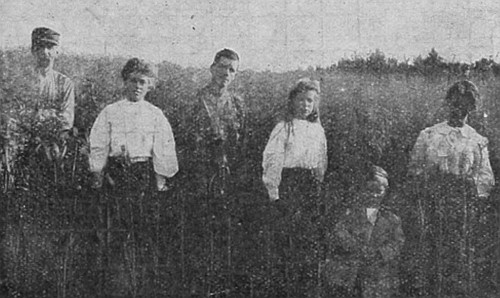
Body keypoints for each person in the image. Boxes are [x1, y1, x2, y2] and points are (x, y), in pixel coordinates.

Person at [405, 80, 495, 296]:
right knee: (432, 251)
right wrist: (431, 181)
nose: (459, 112)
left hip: (463, 205)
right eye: (455, 106)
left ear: (470, 110)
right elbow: (414, 170)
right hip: (433, 201)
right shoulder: (429, 135)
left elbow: (486, 177)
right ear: (447, 105)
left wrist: (468, 185)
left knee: (459, 254)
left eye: (465, 108)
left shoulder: (476, 140)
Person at [262, 78, 327, 296]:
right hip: (290, 185)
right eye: (301, 100)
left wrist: (317, 185)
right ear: (292, 101)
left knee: (308, 240)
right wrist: (274, 194)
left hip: (310, 187)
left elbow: (321, 161)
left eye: (310, 101)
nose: (305, 105)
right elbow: (273, 160)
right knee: (287, 240)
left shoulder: (317, 130)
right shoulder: (284, 127)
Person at [89, 57, 178, 192]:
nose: (137, 86)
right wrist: (97, 172)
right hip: (116, 171)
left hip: (143, 172)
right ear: (125, 82)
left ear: (149, 86)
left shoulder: (155, 114)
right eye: (133, 81)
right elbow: (99, 144)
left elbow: (163, 147)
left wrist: (161, 180)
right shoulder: (110, 111)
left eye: (142, 82)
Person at [323, 165, 404, 298]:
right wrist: (358, 248)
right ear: (362, 190)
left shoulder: (391, 219)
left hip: (378, 275)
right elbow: (340, 232)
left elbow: (397, 242)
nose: (374, 195)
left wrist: (380, 253)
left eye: (379, 191)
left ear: (386, 192)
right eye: (369, 190)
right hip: (350, 273)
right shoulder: (349, 214)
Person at [192, 48, 247, 194]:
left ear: (235, 75)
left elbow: (241, 142)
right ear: (212, 68)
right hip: (199, 174)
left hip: (229, 174)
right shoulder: (196, 100)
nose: (226, 73)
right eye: (222, 67)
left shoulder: (237, 104)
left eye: (231, 70)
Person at [31, 27, 75, 136]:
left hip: (54, 140)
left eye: (49, 47)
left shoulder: (64, 83)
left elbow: (66, 120)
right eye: (40, 47)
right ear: (33, 51)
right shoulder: (23, 81)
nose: (44, 52)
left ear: (57, 52)